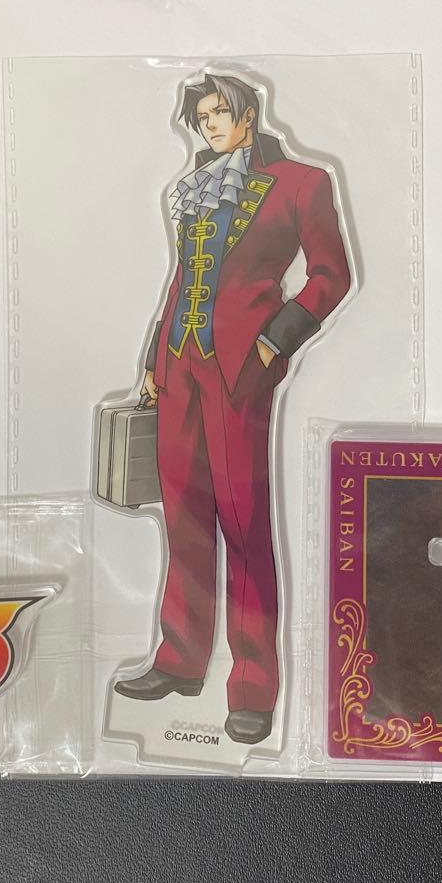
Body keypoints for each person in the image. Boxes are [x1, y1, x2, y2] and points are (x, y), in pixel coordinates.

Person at [114, 73, 351, 745]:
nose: (211, 124)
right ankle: (180, 660)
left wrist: (275, 343)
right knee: (183, 517)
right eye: (202, 116)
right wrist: (154, 360)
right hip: (180, 366)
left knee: (244, 525)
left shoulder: (302, 183)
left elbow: (332, 275)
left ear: (249, 114)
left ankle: (252, 687)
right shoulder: (196, 186)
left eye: (220, 112)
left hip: (242, 367)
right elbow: (183, 280)